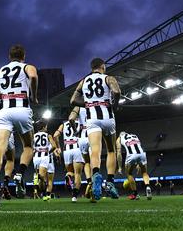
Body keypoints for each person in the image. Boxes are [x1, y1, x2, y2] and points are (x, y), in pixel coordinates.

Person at [0, 44, 38, 206]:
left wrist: (5, 94)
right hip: (22, 108)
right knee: (28, 146)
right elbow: (34, 77)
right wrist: (33, 96)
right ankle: (20, 174)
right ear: (24, 56)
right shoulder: (28, 66)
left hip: (4, 111)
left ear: (9, 57)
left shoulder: (0, 71)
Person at [69, 57, 121, 202]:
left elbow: (73, 100)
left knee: (96, 151)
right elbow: (116, 92)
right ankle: (110, 181)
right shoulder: (108, 78)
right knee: (111, 150)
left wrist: (88, 103)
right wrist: (114, 105)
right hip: (107, 117)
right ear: (103, 66)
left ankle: (96, 174)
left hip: (92, 120)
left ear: (91, 68)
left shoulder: (84, 81)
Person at [53, 119, 84, 202]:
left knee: (70, 172)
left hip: (66, 149)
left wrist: (58, 147)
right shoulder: (81, 122)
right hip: (77, 147)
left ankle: (68, 177)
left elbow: (55, 135)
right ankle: (74, 196)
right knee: (78, 174)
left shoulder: (64, 124)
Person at [117, 131, 152, 200]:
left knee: (129, 173)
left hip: (131, 155)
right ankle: (147, 186)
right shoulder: (134, 135)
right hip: (142, 154)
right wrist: (139, 163)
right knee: (144, 172)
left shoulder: (119, 138)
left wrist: (120, 167)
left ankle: (135, 194)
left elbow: (118, 152)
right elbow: (139, 146)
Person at [32, 121, 58, 201]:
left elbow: (31, 148)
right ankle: (45, 193)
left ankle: (38, 185)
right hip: (44, 157)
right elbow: (54, 146)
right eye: (46, 127)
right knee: (43, 177)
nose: (46, 128)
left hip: (36, 157)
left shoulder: (34, 136)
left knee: (40, 177)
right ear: (43, 127)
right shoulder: (48, 135)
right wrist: (48, 152)